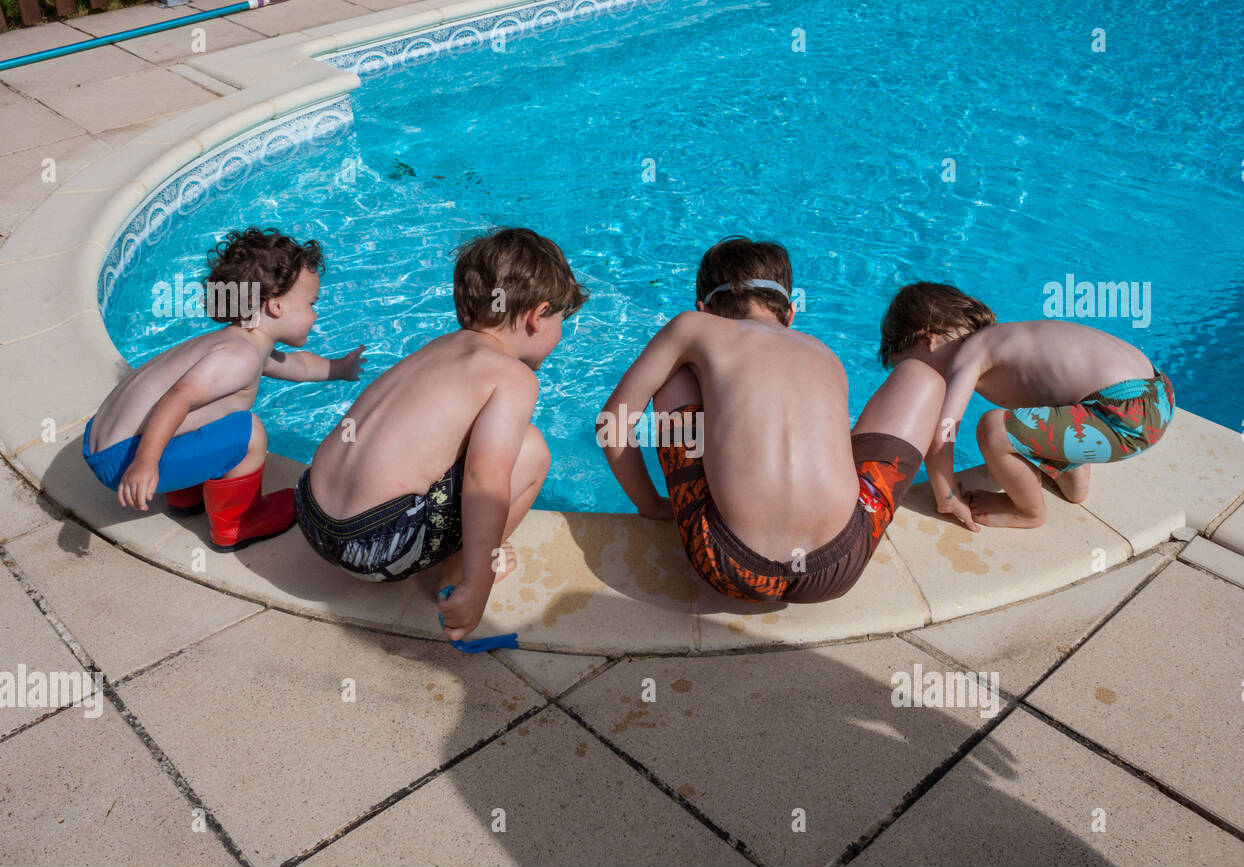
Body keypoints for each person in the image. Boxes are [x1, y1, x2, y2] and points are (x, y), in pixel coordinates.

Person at [599, 236, 944, 603]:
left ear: (703, 308)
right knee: (922, 378)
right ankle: (947, 492)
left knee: (673, 372)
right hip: (841, 564)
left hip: (726, 562)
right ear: (791, 313)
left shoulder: (692, 327)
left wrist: (650, 505)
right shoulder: (823, 352)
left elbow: (613, 424)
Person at [296, 227, 588, 640]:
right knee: (530, 451)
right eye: (562, 320)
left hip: (310, 513)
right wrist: (478, 582)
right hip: (368, 546)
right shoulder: (514, 377)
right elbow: (484, 480)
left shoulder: (438, 349)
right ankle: (455, 575)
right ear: (537, 317)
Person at [83, 227, 363, 551]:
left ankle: (184, 494)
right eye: (311, 303)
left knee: (217, 411)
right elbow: (178, 398)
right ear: (275, 306)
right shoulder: (241, 356)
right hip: (124, 460)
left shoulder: (240, 341)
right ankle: (239, 522)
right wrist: (145, 462)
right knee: (248, 432)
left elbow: (298, 366)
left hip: (100, 442)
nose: (316, 314)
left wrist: (339, 369)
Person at [879, 282, 1174, 530]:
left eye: (910, 368)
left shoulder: (971, 353)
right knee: (1037, 414)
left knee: (993, 428)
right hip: (1157, 393)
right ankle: (1075, 483)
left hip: (1126, 418)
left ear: (929, 341)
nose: (920, 380)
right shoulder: (1008, 339)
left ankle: (1028, 512)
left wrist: (947, 495)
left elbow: (943, 432)